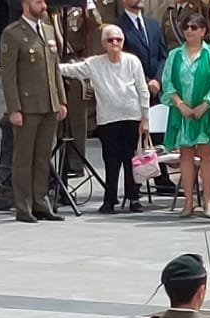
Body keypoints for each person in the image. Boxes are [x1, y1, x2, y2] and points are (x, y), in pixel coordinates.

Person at [61, 24, 152, 214]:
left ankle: (133, 197)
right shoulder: (95, 63)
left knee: (131, 160)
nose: (115, 43)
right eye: (110, 40)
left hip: (132, 116)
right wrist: (49, 65)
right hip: (108, 119)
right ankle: (110, 200)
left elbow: (143, 89)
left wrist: (145, 118)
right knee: (111, 161)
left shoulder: (132, 61)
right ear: (104, 43)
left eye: (118, 39)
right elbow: (72, 70)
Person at [1, 0, 68, 223]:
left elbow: (54, 68)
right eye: (38, 1)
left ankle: (41, 202)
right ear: (25, 4)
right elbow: (9, 76)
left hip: (49, 104)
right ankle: (24, 206)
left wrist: (61, 100)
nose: (44, 5)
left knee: (42, 158)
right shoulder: (12, 33)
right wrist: (14, 108)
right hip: (28, 106)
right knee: (24, 158)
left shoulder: (48, 30)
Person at [164, 14, 210, 217]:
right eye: (186, 27)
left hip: (206, 110)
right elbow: (167, 83)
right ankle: (188, 202)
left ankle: (208, 202)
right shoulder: (174, 55)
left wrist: (206, 104)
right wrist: (180, 104)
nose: (189, 30)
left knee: (207, 156)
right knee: (186, 156)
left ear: (203, 31)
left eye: (194, 27)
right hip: (182, 112)